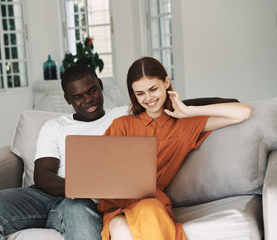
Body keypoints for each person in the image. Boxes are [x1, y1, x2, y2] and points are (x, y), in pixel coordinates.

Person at [97, 57, 252, 240]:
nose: (148, 98)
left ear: (166, 82)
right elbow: (101, 169)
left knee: (147, 213)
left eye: (153, 89)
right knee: (119, 229)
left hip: (150, 203)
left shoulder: (183, 125)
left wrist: (189, 111)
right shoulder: (121, 125)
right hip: (116, 205)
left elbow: (244, 112)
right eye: (140, 93)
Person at [0, 64, 128, 240]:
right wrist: (82, 187)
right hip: (43, 196)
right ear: (68, 99)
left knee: (79, 210)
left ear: (100, 85)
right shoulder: (55, 126)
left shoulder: (123, 115)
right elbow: (42, 175)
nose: (88, 99)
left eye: (92, 91)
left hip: (81, 203)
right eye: (78, 97)